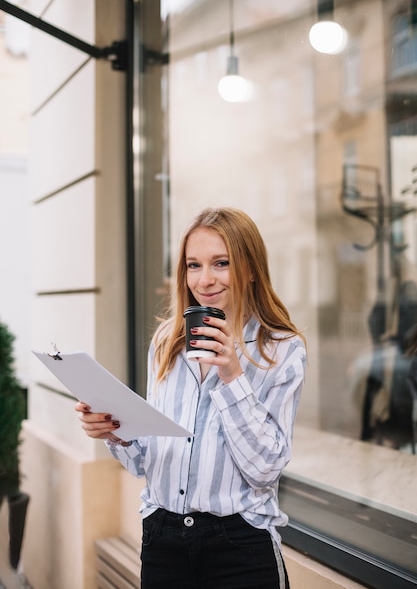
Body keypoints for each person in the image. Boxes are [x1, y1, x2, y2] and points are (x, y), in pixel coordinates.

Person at [75, 207, 306, 589]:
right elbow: (148, 462)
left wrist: (232, 376)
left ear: (250, 268)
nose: (205, 279)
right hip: (163, 540)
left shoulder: (280, 350)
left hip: (240, 545)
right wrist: (115, 432)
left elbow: (265, 469)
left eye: (221, 263)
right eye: (193, 265)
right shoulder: (167, 341)